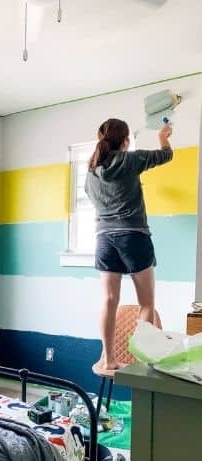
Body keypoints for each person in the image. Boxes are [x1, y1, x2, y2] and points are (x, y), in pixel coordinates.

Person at [85, 118, 173, 375]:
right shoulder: (129, 159)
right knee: (147, 303)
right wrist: (164, 136)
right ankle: (140, 361)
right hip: (133, 235)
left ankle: (108, 359)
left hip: (103, 238)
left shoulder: (91, 172)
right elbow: (166, 155)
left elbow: (94, 199)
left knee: (109, 300)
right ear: (125, 141)